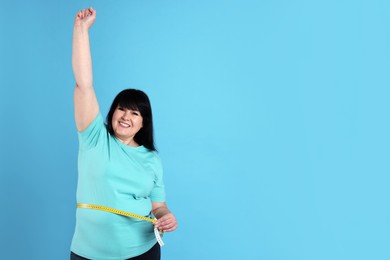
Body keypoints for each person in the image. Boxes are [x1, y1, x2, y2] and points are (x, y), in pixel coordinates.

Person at [70, 7, 178, 260]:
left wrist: (166, 217)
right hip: (88, 253)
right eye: (121, 109)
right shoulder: (94, 138)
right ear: (112, 113)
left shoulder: (152, 159)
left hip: (141, 251)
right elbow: (83, 84)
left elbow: (158, 206)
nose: (126, 116)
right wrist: (81, 31)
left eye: (135, 113)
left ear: (144, 123)